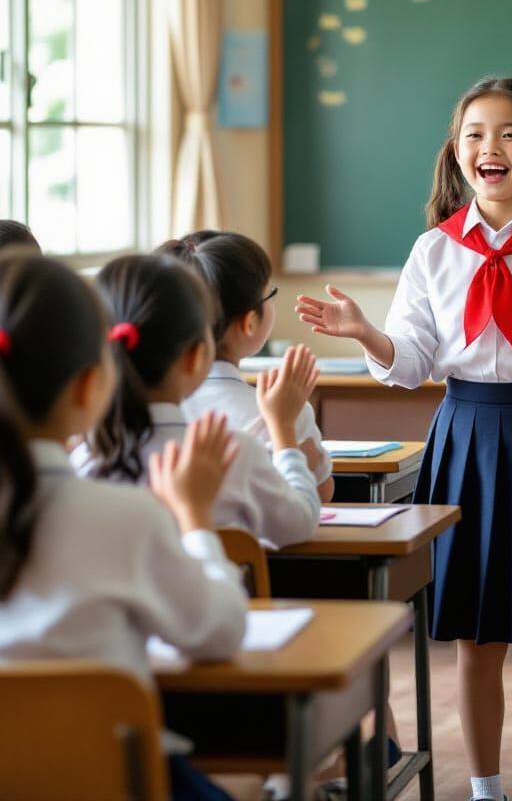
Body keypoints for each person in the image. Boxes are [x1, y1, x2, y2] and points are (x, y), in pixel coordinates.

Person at [295, 77, 512, 801]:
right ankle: (484, 792)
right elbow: (415, 362)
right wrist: (367, 334)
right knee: (474, 641)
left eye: (510, 134)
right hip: (463, 438)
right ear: (457, 153)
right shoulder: (433, 250)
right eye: (474, 134)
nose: (490, 147)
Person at [0, 250, 248, 800]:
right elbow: (218, 632)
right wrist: (197, 519)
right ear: (90, 387)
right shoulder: (125, 518)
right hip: (113, 782)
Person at [72, 254, 320, 548]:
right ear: (195, 358)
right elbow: (300, 521)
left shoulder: (82, 463)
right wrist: (284, 433)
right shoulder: (234, 453)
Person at [160, 230, 334, 502]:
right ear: (250, 322)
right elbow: (320, 495)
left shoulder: (139, 415)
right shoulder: (285, 412)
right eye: (269, 294)